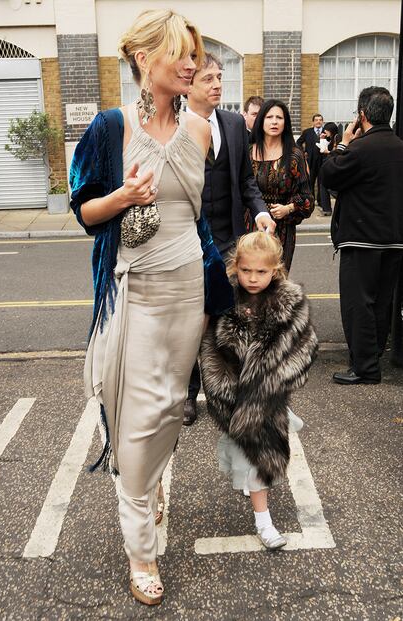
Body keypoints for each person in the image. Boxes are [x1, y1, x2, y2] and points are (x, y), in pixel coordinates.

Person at [69, 10, 233, 606]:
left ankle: (151, 477)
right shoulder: (109, 127)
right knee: (136, 419)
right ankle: (142, 549)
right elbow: (84, 211)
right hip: (134, 290)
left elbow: (200, 222)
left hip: (187, 286)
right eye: (181, 53)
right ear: (145, 60)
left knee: (169, 405)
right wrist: (121, 196)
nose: (193, 63)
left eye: (195, 53)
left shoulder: (201, 129)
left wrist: (221, 299)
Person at [200, 232, 317, 548]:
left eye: (261, 272)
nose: (252, 278)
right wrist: (226, 395)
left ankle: (261, 515)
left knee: (256, 462)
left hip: (269, 400)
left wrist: (273, 383)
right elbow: (210, 350)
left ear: (275, 269)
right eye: (246, 270)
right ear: (235, 267)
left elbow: (303, 349)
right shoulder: (225, 300)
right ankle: (262, 516)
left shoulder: (288, 303)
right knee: (249, 456)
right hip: (235, 400)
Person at [183, 53, 275, 425]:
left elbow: (245, 181)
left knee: (230, 319)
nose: (218, 84)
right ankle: (188, 395)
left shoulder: (236, 124)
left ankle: (226, 389)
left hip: (228, 239)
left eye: (220, 77)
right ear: (188, 84)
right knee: (191, 321)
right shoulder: (174, 124)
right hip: (188, 240)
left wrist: (261, 210)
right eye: (208, 78)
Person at [320, 86, 403, 385]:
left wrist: (342, 143)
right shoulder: (398, 146)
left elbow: (329, 175)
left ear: (362, 115)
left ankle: (365, 367)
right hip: (394, 239)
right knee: (381, 302)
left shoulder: (359, 149)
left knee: (359, 304)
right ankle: (374, 357)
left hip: (361, 237)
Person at [250, 98, 314, 272]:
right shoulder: (248, 151)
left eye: (279, 117)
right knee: (248, 284)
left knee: (274, 284)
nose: (274, 122)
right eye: (269, 117)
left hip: (281, 231)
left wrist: (288, 208)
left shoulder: (294, 156)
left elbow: (308, 199)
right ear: (261, 120)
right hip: (249, 227)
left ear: (285, 123)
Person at [296, 113, 324, 204]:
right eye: (316, 120)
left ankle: (320, 201)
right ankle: (311, 201)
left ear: (322, 122)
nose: (318, 121)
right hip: (310, 161)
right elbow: (298, 142)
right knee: (310, 182)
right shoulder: (307, 132)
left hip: (323, 161)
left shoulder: (326, 132)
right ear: (313, 122)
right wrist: (303, 152)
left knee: (322, 182)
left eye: (320, 120)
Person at [318, 122, 342, 216]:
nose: (325, 132)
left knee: (328, 186)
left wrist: (328, 151)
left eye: (326, 130)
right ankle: (326, 209)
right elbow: (323, 148)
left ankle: (328, 208)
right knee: (324, 185)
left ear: (331, 130)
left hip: (334, 164)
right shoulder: (330, 138)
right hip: (329, 163)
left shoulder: (337, 137)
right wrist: (322, 139)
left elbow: (338, 150)